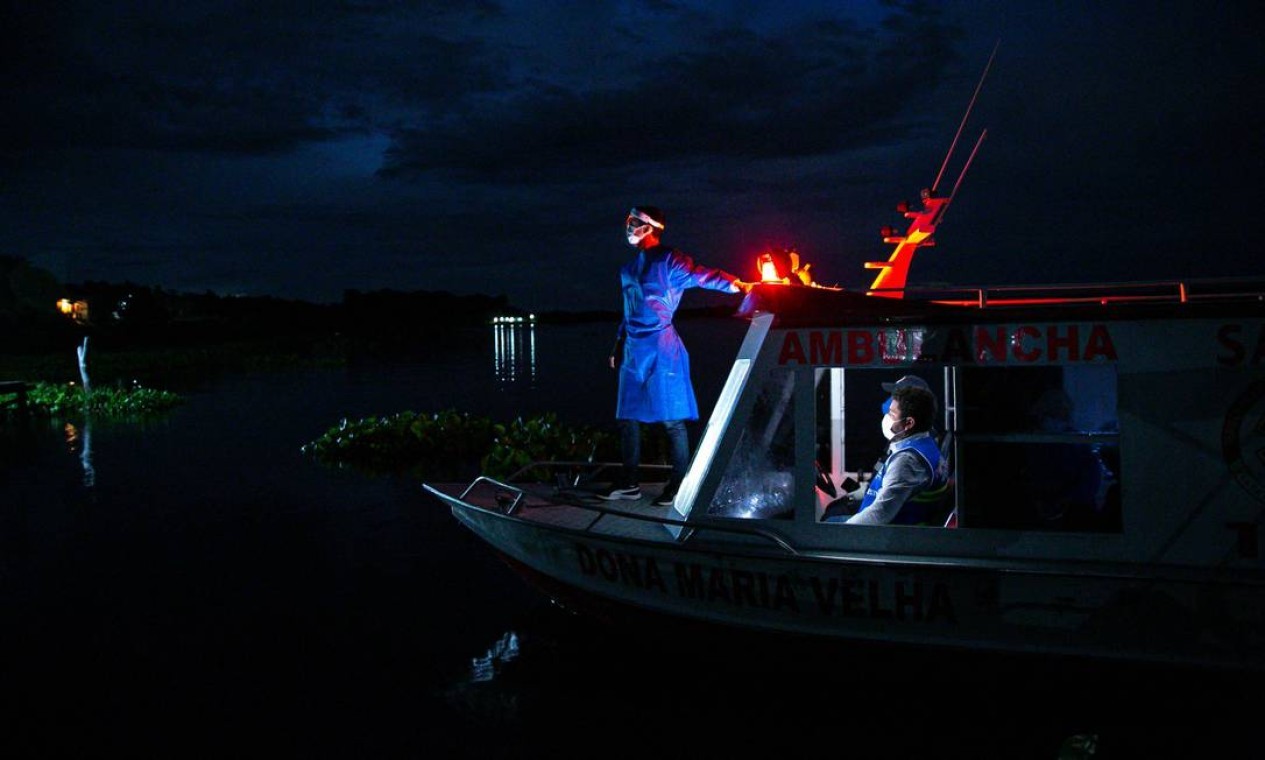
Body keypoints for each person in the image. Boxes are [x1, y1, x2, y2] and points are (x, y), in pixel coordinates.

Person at [599, 206, 751, 506]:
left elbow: (701, 276)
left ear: (650, 227)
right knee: (627, 418)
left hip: (662, 347)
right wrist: (618, 344)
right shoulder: (628, 270)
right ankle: (630, 484)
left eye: (634, 222)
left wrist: (737, 284)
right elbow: (628, 311)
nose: (628, 228)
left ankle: (679, 484)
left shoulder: (670, 260)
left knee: (672, 421)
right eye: (628, 222)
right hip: (633, 350)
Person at [826, 382, 946, 524]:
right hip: (884, 527)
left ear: (909, 423)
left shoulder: (907, 461)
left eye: (892, 414)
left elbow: (878, 515)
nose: (886, 418)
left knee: (826, 524)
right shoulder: (924, 442)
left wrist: (837, 535)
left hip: (885, 535)